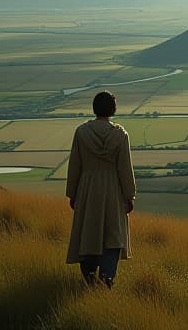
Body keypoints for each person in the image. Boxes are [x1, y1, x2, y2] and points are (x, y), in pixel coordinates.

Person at [66, 91, 137, 288]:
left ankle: (89, 279)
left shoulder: (81, 132)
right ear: (113, 110)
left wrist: (72, 193)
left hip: (87, 190)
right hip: (113, 191)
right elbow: (125, 168)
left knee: (88, 232)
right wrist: (129, 195)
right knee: (112, 236)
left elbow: (75, 166)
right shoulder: (120, 135)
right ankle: (107, 280)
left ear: (94, 108)